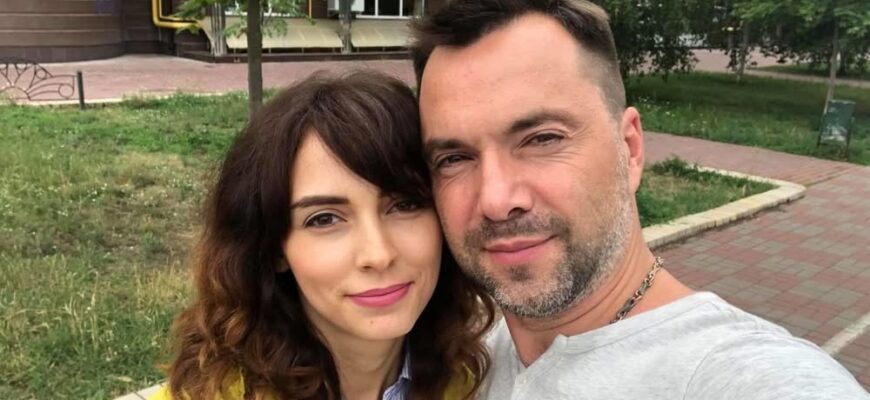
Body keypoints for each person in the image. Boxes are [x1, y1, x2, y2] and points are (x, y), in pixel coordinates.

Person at [411, 0, 869, 398]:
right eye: (454, 158)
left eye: (543, 139)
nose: (496, 200)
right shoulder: (466, 351)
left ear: (629, 149)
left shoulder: (739, 375)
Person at [151, 71, 495, 400]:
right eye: (324, 219)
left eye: (404, 205)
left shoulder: (470, 381)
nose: (378, 254)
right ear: (275, 248)